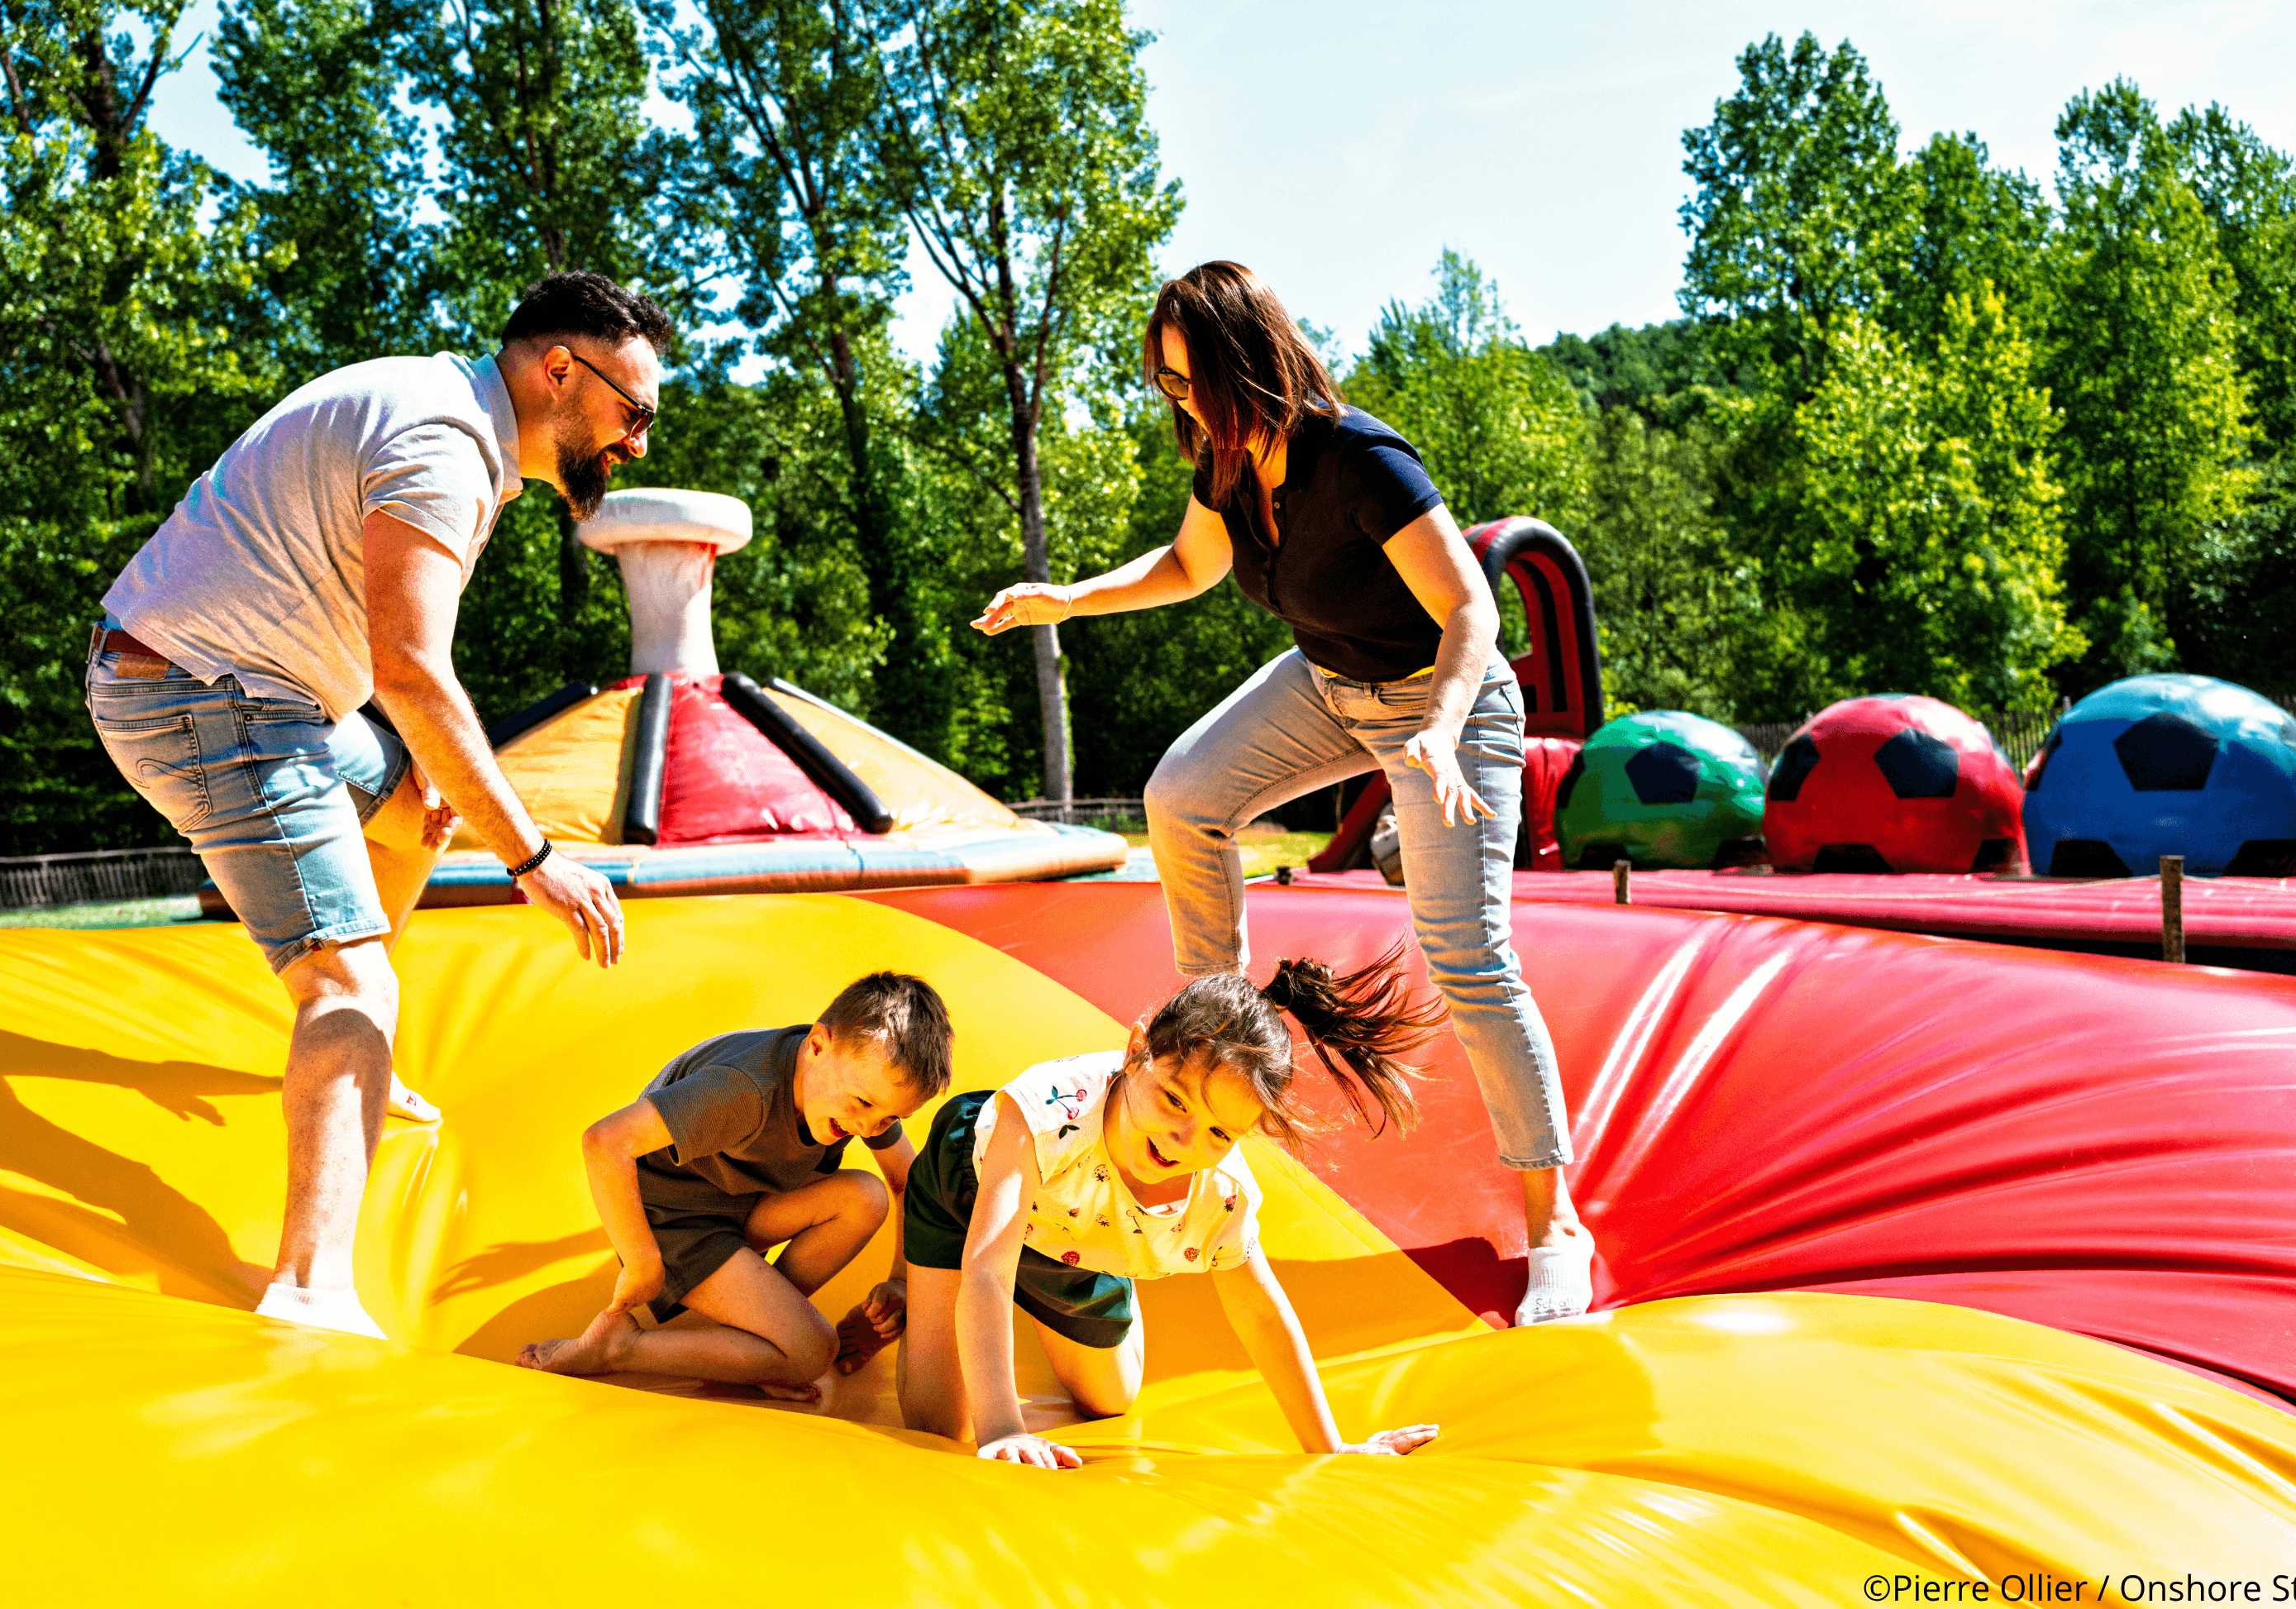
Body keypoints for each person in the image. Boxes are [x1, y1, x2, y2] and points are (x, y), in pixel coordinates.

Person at [972, 260, 1597, 1327]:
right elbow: (1186, 564)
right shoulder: (1228, 465)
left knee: (1466, 954)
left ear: (1243, 357)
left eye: (1190, 379)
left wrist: (1437, 736)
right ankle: (1214, 1035)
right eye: (1166, 384)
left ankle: (1555, 1226)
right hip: (1330, 686)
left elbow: (1471, 611)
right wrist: (1065, 599)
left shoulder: (1362, 459)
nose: (1181, 403)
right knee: (1183, 795)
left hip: (1447, 703)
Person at [86, 270, 662, 1339]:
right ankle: (308, 1284)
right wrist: (536, 859)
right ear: (559, 371)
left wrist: (446, 782)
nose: (638, 442)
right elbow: (409, 669)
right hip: (210, 694)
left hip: (266, 692)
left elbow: (393, 671)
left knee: (419, 807)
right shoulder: (443, 447)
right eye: (634, 411)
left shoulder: (446, 412)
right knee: (350, 984)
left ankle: (365, 1072)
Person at [895, 955, 1443, 1468]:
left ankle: (1093, 1279)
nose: (1183, 1139)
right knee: (936, 1423)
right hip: (968, 1198)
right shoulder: (1045, 1110)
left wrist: (1330, 1448)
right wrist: (1003, 1429)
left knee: (1111, 1400)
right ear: (1136, 1052)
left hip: (1076, 1239)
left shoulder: (1222, 1192)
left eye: (1219, 1131)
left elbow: (1261, 1315)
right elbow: (989, 1269)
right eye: (1175, 1100)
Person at [517, 972, 953, 1401]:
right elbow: (605, 1142)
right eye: (863, 1106)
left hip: (737, 1203)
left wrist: (900, 1283)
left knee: (865, 1197)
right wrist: (642, 1261)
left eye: (890, 1118)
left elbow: (910, 1184)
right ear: (817, 1046)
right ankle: (617, 1346)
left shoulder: (855, 1082)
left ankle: (750, 1346)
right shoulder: (745, 1091)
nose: (867, 1126)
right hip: (675, 1223)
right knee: (813, 1351)